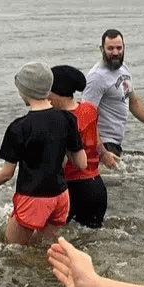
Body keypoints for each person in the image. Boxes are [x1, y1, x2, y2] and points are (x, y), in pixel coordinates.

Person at [0, 62, 85, 246]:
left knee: (11, 250)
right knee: (44, 247)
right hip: (61, 198)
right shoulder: (67, 119)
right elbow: (81, 163)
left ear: (24, 93)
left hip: (33, 198)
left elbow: (6, 174)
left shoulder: (19, 128)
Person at [82, 29, 144, 165]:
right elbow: (86, 118)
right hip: (103, 144)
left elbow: (133, 101)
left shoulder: (123, 68)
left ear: (124, 48)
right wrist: (102, 152)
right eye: (110, 48)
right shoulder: (96, 77)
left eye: (119, 48)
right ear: (102, 49)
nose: (115, 52)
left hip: (115, 143)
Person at [50, 65, 107, 229]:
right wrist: (105, 155)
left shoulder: (61, 121)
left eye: (48, 91)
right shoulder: (89, 109)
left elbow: (60, 161)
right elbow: (96, 138)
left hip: (74, 189)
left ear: (57, 93)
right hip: (96, 187)